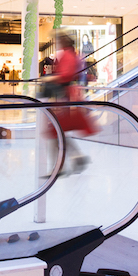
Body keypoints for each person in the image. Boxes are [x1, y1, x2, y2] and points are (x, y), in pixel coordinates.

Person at [40, 32, 93, 174]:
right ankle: (75, 158)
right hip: (66, 99)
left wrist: (49, 79)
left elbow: (66, 75)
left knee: (55, 132)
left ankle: (59, 167)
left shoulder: (68, 56)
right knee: (58, 132)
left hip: (65, 99)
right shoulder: (71, 55)